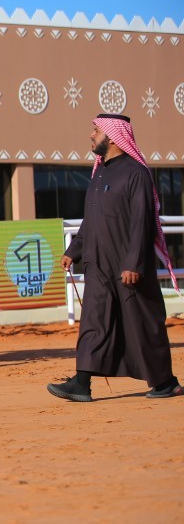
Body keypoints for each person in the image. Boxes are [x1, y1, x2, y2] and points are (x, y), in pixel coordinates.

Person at [47, 113, 182, 402]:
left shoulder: (136, 173)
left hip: (127, 266)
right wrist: (75, 250)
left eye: (95, 130)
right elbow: (92, 219)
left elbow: (142, 222)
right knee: (94, 321)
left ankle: (165, 382)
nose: (91, 136)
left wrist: (133, 263)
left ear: (112, 136)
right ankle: (82, 383)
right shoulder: (99, 173)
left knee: (141, 324)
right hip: (98, 264)